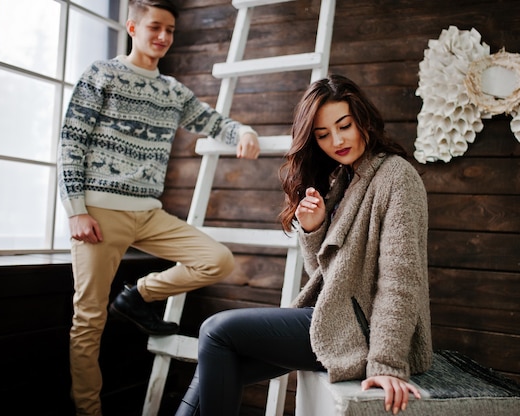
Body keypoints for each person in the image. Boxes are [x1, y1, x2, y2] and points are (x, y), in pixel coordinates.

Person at [175, 74, 433, 416]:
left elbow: (401, 280)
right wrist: (314, 229)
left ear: (363, 119)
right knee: (218, 361)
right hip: (339, 316)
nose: (336, 140)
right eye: (323, 135)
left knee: (215, 330)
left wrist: (386, 363)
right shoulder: (346, 178)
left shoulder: (396, 177)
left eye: (344, 125)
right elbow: (323, 273)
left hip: (362, 329)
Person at [57, 1, 261, 414]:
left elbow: (216, 123)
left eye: (170, 30)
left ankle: (137, 296)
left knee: (217, 260)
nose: (164, 37)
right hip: (99, 212)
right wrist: (76, 209)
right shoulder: (103, 74)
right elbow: (71, 142)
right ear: (133, 26)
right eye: (155, 28)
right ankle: (88, 411)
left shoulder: (172, 92)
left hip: (149, 214)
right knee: (88, 320)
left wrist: (244, 130)